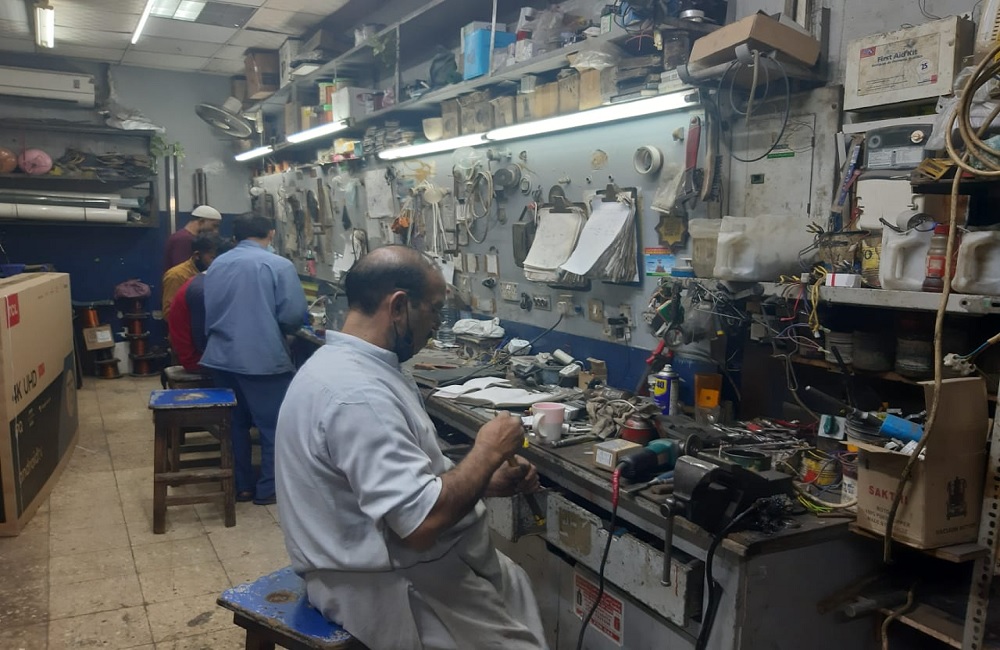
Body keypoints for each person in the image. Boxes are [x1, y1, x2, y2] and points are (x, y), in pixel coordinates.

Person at [275, 246, 547, 649]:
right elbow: (419, 528)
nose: (436, 325)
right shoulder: (357, 395)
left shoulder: (355, 366)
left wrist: (484, 480)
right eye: (434, 310)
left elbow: (401, 478)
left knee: (516, 584)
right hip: (389, 582)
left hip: (409, 558)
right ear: (399, 306)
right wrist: (487, 452)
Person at [201, 213, 307, 505]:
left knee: (234, 425)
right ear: (271, 233)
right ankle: (269, 488)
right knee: (274, 426)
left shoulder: (217, 264)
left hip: (220, 356)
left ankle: (242, 486)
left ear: (235, 236)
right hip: (261, 359)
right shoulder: (278, 265)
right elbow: (292, 315)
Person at [167, 238, 234, 372]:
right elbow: (201, 340)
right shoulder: (202, 290)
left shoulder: (204, 281)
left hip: (203, 354)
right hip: (197, 359)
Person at [161, 233, 224, 321]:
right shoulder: (176, 275)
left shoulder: (217, 273)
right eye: (212, 258)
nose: (216, 262)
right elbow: (169, 314)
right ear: (197, 255)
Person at [163, 204, 222, 272]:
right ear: (201, 221)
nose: (216, 231)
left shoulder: (183, 237)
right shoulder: (183, 239)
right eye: (214, 226)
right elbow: (183, 271)